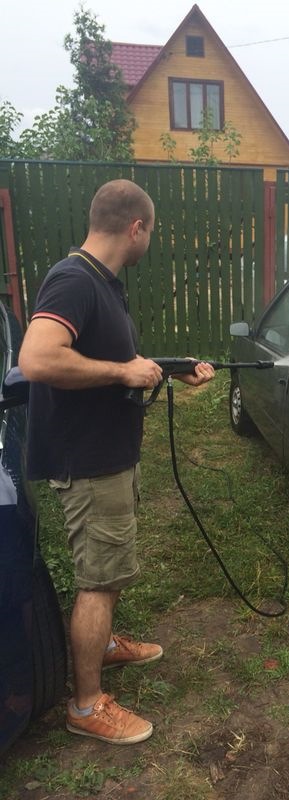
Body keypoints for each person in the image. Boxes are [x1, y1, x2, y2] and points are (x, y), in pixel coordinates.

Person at [18, 179, 215, 745]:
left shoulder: (99, 282)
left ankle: (103, 646)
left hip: (107, 454)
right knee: (98, 581)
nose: (148, 240)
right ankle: (86, 705)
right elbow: (38, 358)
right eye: (150, 232)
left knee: (111, 568)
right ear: (137, 228)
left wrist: (165, 366)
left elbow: (106, 356)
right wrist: (125, 373)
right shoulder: (74, 279)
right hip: (88, 459)